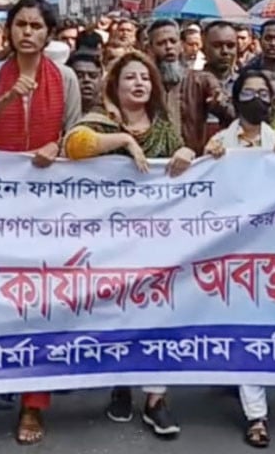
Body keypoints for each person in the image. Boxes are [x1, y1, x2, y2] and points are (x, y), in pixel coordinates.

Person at [0, 0, 81, 445]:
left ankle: (34, 405)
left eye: (36, 25)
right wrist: (8, 98)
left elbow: (75, 133)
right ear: (9, 31)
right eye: (20, 24)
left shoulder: (65, 78)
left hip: (47, 208)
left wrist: (59, 147)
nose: (28, 32)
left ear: (48, 33)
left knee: (42, 302)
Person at [62, 51, 193, 437]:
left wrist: (187, 154)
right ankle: (120, 382)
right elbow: (74, 145)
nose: (139, 84)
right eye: (130, 78)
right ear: (115, 87)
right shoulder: (100, 122)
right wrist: (123, 140)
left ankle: (156, 399)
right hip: (108, 242)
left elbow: (185, 163)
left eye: (145, 79)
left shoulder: (164, 128)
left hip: (157, 239)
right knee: (117, 312)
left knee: (158, 312)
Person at [202, 69, 275, 448]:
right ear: (235, 99)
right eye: (249, 92)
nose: (258, 98)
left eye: (264, 92)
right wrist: (208, 160)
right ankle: (257, 414)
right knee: (243, 323)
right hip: (230, 251)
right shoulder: (219, 143)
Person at [146, 19, 222, 152]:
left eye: (173, 41)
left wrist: (219, 104)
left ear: (181, 45)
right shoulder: (144, 84)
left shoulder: (201, 80)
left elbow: (232, 117)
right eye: (161, 43)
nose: (168, 47)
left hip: (193, 162)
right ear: (150, 49)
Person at [67, 48, 105, 114]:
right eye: (79, 76)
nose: (86, 80)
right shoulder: (61, 110)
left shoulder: (112, 112)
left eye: (93, 76)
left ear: (101, 78)